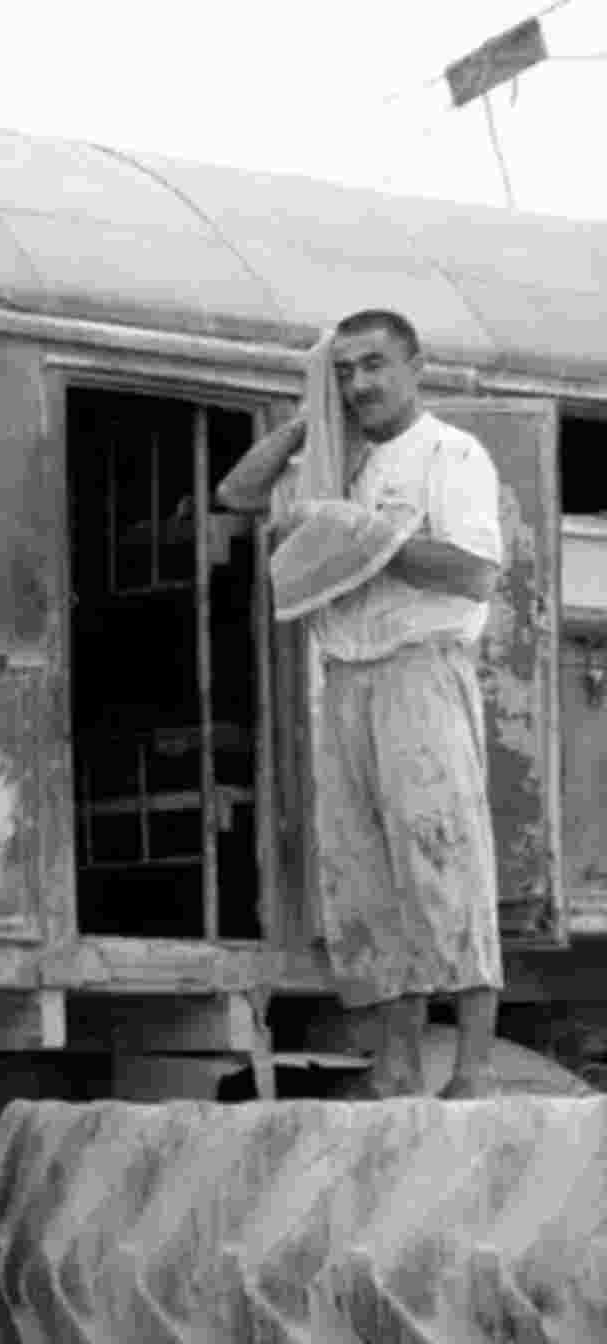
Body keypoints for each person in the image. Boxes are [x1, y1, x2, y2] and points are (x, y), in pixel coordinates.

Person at [217, 309, 503, 1099]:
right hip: (344, 677)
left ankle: (474, 1070)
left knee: (442, 852)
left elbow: (476, 572)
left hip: (420, 669)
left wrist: (367, 537)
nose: (361, 384)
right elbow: (236, 492)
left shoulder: (451, 453)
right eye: (344, 371)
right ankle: (397, 1067)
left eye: (374, 365)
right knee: (362, 874)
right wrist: (307, 426)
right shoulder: (332, 462)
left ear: (417, 366)